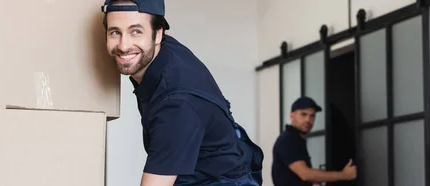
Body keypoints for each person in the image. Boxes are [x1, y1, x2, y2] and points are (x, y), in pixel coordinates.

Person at [100, 0, 263, 185]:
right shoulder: (161, 54)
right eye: (115, 32)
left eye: (136, 31)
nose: (123, 45)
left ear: (158, 34)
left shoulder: (176, 104)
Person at [272, 97, 357, 186]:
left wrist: (317, 176)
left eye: (312, 116)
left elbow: (299, 176)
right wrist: (344, 175)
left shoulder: (295, 139)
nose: (308, 120)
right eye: (303, 114)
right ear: (292, 116)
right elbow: (305, 174)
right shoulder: (289, 139)